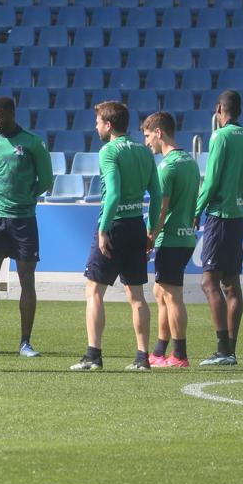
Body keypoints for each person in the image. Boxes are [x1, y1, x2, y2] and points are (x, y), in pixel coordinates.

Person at [71, 101, 160, 372]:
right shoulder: (144, 152)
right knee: (137, 296)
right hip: (136, 226)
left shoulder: (108, 151)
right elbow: (156, 193)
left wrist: (103, 229)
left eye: (98, 122)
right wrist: (151, 230)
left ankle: (93, 356)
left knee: (94, 291)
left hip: (114, 227)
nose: (95, 127)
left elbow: (113, 193)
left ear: (108, 125)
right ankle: (142, 357)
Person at [0, 96, 53, 358]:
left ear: (12, 114)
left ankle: (25, 343)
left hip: (24, 219)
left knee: (26, 279)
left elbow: (46, 179)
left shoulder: (32, 142)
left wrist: (27, 197)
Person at [194, 90, 243, 367]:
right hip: (238, 213)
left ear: (219, 108)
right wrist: (238, 200)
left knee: (209, 282)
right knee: (231, 284)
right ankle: (231, 349)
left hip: (219, 215)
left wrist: (197, 209)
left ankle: (222, 350)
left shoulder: (220, 136)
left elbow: (212, 179)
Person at [143, 111, 200, 368]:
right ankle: (159, 351)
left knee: (172, 295)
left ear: (158, 133)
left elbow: (161, 208)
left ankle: (179, 355)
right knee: (160, 291)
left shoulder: (167, 166)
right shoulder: (190, 160)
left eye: (147, 136)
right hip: (185, 237)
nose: (146, 143)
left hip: (171, 238)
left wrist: (150, 235)